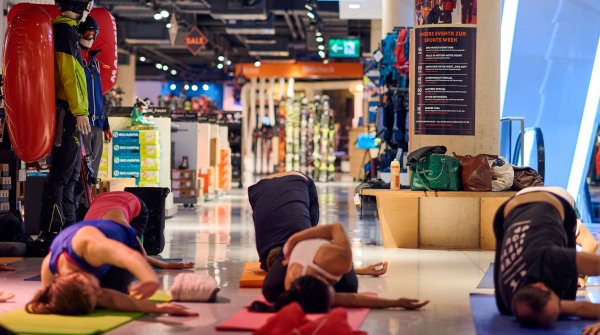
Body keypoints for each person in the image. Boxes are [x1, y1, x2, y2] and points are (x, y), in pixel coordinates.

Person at [249, 172, 428, 313]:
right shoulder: (295, 285)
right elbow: (350, 299)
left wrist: (297, 238)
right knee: (350, 287)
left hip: (291, 194)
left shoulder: (336, 257)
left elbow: (335, 228)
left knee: (272, 289)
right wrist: (395, 302)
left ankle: (292, 243)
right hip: (274, 193)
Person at [27, 210, 196, 316]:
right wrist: (154, 308)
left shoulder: (89, 247)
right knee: (93, 300)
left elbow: (128, 256)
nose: (98, 292)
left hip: (126, 243)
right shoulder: (51, 279)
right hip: (99, 239)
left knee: (108, 293)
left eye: (95, 290)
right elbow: (101, 296)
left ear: (77, 278)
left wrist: (149, 278)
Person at [493, 186, 600, 328]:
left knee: (568, 292)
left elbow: (594, 257)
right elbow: (579, 308)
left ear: (541, 286)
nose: (562, 307)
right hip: (506, 212)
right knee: (565, 297)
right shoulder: (508, 304)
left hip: (552, 201)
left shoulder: (550, 259)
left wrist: (579, 274)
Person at [40, 0, 93, 235]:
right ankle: (53, 230)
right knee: (62, 174)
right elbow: (69, 75)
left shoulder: (67, 30)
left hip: (70, 112)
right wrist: (79, 110)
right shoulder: (64, 32)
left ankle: (68, 229)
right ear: (80, 5)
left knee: (71, 175)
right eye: (88, 6)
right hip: (68, 113)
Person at [83, 191, 194, 270]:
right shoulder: (84, 233)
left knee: (132, 253)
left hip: (132, 202)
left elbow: (142, 256)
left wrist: (165, 265)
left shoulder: (119, 224)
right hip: (103, 198)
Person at [73, 15, 111, 210]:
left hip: (97, 124)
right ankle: (76, 207)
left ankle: (84, 207)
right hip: (82, 123)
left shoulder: (94, 64)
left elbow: (99, 96)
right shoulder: (74, 60)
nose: (90, 37)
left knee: (92, 172)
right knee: (81, 170)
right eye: (87, 33)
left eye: (94, 34)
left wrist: (106, 124)